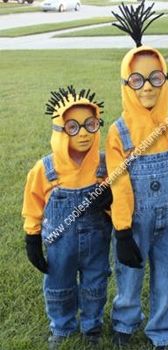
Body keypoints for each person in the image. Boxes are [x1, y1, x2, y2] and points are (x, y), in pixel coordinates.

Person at [106, 2, 168, 349]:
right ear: (126, 83)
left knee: (166, 277)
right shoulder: (119, 133)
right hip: (135, 220)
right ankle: (125, 323)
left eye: (155, 78)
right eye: (137, 79)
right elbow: (117, 184)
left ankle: (163, 329)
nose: (147, 87)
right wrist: (123, 231)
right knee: (128, 275)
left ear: (165, 80)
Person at [22, 86, 112, 350]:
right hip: (60, 244)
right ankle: (61, 326)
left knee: (95, 284)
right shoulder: (46, 169)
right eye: (73, 127)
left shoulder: (104, 166)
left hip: (97, 241)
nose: (83, 133)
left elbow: (121, 199)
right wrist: (32, 237)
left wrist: (110, 198)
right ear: (60, 130)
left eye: (90, 125)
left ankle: (91, 326)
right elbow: (33, 202)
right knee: (59, 286)